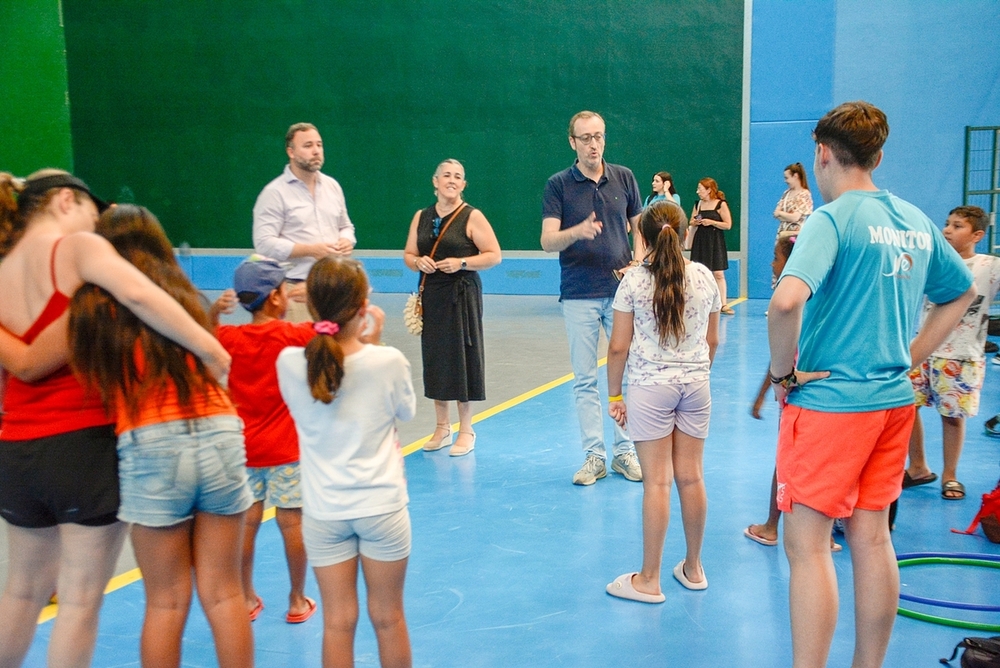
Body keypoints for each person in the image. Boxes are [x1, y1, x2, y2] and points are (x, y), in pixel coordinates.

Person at [768, 101, 975, 668]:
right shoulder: (912, 219)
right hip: (892, 405)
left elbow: (786, 301)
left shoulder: (830, 220)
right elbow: (959, 292)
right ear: (878, 156)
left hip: (833, 407)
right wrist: (912, 355)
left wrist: (784, 373)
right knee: (873, 538)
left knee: (807, 547)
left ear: (822, 154)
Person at [0, 172, 230, 668]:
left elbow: (12, 370)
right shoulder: (77, 249)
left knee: (20, 592)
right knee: (80, 599)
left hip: (17, 447)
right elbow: (142, 295)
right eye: (90, 211)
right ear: (66, 201)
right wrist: (209, 346)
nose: (95, 225)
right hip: (83, 442)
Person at [68, 204, 254, 668]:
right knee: (225, 593)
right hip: (220, 432)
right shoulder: (185, 297)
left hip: (151, 441)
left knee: (167, 601)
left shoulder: (94, 308)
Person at [276, 257, 416, 668]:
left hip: (323, 512)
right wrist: (375, 343)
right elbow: (405, 412)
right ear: (363, 307)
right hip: (383, 508)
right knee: (388, 618)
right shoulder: (387, 361)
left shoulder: (288, 364)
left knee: (337, 622)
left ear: (313, 306)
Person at [604, 201, 719, 603]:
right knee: (692, 476)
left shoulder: (633, 282)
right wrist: (695, 372)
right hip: (696, 387)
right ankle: (693, 567)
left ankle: (648, 580)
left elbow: (618, 347)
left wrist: (615, 394)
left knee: (657, 481)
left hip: (650, 388)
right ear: (684, 234)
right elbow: (713, 340)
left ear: (643, 238)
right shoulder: (705, 277)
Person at [212, 257, 320, 625]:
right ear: (276, 297)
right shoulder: (294, 335)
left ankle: (244, 597)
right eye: (286, 288)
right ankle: (296, 600)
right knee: (293, 525)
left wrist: (213, 312)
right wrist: (316, 299)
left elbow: (202, 333)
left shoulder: (228, 337)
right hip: (287, 451)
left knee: (247, 523)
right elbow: (333, 328)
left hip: (245, 451)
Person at [541, 110, 643, 486]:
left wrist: (640, 261)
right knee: (585, 379)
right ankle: (594, 456)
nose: (593, 144)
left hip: (622, 295)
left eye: (598, 136)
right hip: (579, 294)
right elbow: (547, 240)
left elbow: (639, 227)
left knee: (628, 375)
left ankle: (625, 451)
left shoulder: (624, 177)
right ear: (573, 142)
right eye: (585, 138)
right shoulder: (558, 185)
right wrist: (577, 231)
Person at [745, 234, 840, 551]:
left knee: (787, 461)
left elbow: (780, 355)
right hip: (826, 392)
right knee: (825, 460)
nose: (772, 263)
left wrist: (770, 390)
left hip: (798, 391)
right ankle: (825, 534)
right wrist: (760, 394)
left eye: (776, 256)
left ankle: (772, 527)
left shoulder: (790, 302)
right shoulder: (824, 297)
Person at [403, 159, 501, 457]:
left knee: (463, 356)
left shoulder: (472, 216)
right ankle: (442, 427)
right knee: (435, 359)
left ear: (463, 184)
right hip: (432, 295)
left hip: (462, 296)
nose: (452, 180)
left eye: (458, 176)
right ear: (435, 181)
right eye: (446, 175)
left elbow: (494, 255)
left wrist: (461, 263)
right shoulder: (421, 216)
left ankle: (466, 429)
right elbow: (409, 253)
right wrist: (418, 262)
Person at [904, 205, 1000, 500]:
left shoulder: (990, 266)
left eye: (958, 226)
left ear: (977, 235)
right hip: (922, 351)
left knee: (952, 417)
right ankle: (917, 466)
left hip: (961, 356)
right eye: (947, 224)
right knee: (905, 408)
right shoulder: (933, 261)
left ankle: (950, 475)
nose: (947, 230)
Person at [253, 122, 357, 322]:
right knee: (302, 352)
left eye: (319, 145)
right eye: (308, 146)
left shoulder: (332, 186)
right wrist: (310, 250)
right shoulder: (274, 193)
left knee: (335, 352)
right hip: (296, 291)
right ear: (291, 152)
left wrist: (346, 240)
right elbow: (264, 244)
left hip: (333, 288)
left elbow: (346, 226)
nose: (316, 151)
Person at [689, 178, 734, 315]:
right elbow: (691, 220)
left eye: (700, 189)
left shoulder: (721, 204)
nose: (698, 192)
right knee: (699, 272)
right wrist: (696, 222)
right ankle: (700, 302)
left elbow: (728, 224)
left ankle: (723, 303)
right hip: (700, 241)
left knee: (718, 273)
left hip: (715, 240)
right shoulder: (698, 204)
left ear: (709, 190)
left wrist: (712, 222)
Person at [636, 172, 681, 259]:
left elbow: (676, 208)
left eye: (657, 181)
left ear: (665, 183)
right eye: (653, 181)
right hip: (651, 235)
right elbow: (643, 215)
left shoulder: (674, 197)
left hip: (665, 234)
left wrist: (666, 191)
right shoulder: (650, 198)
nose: (653, 183)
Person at [773, 163, 814, 236]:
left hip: (796, 237)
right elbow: (775, 214)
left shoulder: (804, 195)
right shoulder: (786, 193)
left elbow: (795, 217)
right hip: (782, 236)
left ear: (795, 176)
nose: (785, 181)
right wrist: (787, 216)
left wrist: (780, 213)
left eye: (787, 178)